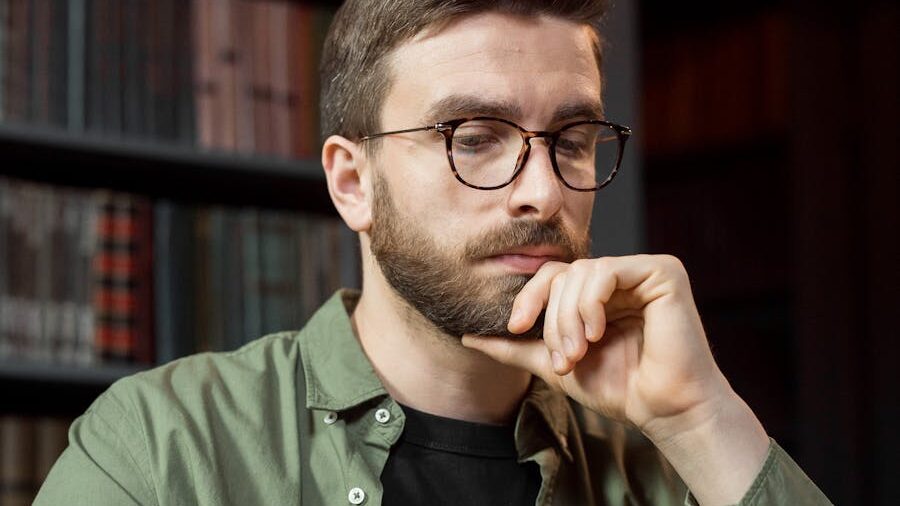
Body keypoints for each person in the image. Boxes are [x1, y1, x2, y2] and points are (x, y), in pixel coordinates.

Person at [36, 1, 832, 504]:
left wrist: (701, 421)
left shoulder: (663, 464)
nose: (543, 193)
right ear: (353, 183)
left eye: (574, 139)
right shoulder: (160, 449)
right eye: (475, 138)